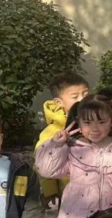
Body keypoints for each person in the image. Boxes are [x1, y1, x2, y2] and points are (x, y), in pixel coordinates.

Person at [35, 72, 89, 205]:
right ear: (58, 102)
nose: (82, 100)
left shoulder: (96, 121)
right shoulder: (52, 132)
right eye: (75, 96)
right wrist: (50, 192)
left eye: (86, 94)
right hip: (70, 196)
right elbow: (43, 163)